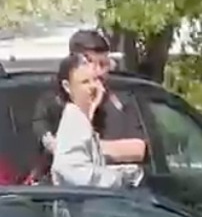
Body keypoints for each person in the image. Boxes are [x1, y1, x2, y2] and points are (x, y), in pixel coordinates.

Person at [33, 29, 148, 180]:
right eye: (91, 64)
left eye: (103, 64)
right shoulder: (53, 104)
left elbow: (138, 149)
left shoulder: (122, 102)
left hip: (116, 188)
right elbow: (57, 149)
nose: (98, 72)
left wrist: (90, 147)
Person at [50, 53, 144, 189]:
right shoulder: (73, 121)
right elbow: (73, 171)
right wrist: (120, 178)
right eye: (85, 82)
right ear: (67, 86)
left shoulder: (83, 119)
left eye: (94, 80)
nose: (93, 87)